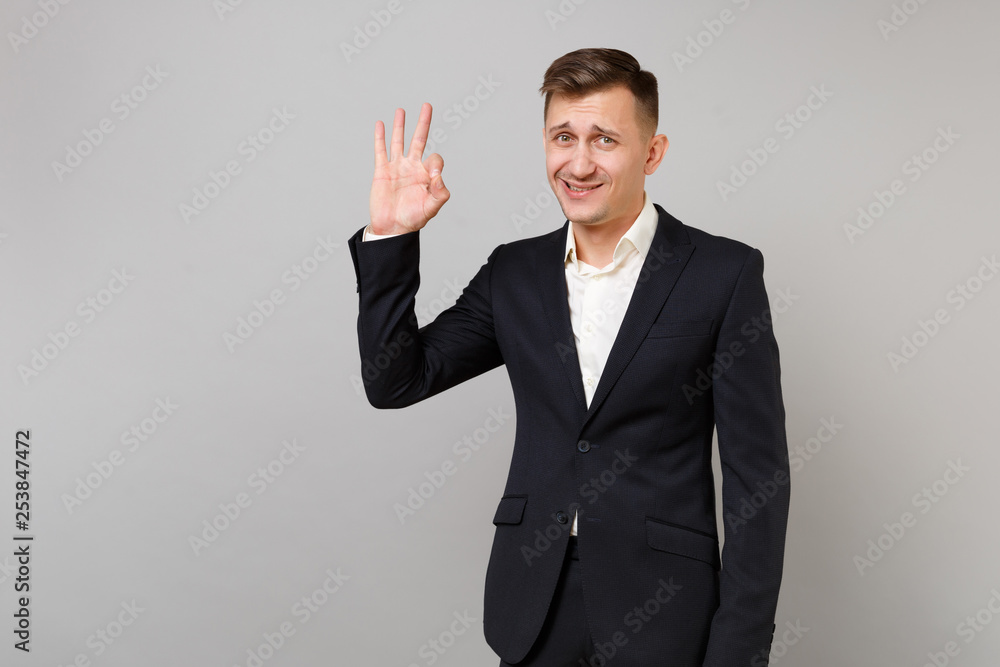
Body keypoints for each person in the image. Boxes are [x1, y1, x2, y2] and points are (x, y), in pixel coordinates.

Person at [347, 47, 790, 667]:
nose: (578, 163)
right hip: (534, 607)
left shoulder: (723, 273)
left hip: (665, 613)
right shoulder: (514, 274)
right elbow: (395, 380)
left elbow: (757, 481)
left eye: (604, 139)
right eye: (563, 137)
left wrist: (739, 652)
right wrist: (393, 239)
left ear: (652, 153)